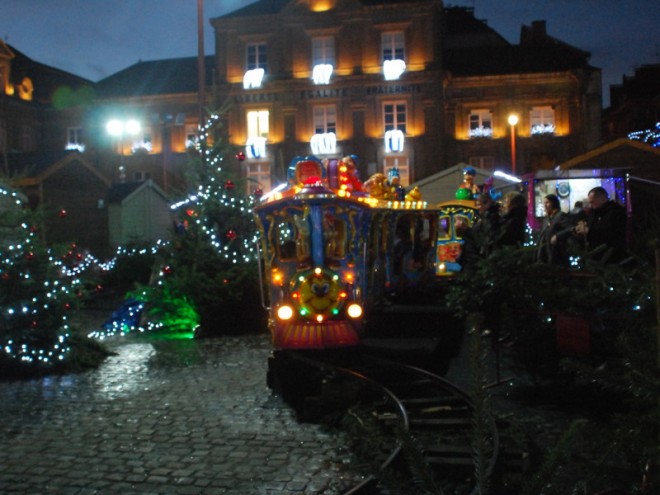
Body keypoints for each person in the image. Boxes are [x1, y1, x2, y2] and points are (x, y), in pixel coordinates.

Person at [574, 186, 627, 263]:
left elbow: (608, 232)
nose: (590, 205)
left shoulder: (615, 212)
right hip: (596, 253)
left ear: (601, 198)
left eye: (592, 202)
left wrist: (589, 231)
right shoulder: (595, 212)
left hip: (609, 255)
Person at [457, 191, 501, 268]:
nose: (477, 207)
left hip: (479, 258)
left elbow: (482, 238)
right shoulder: (485, 217)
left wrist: (466, 230)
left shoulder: (490, 218)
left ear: (487, 203)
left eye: (479, 204)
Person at [536, 194, 573, 265]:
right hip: (545, 254)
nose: (545, 205)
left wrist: (557, 236)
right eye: (544, 203)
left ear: (554, 203)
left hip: (556, 253)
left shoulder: (560, 215)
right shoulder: (547, 218)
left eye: (547, 203)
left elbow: (570, 229)